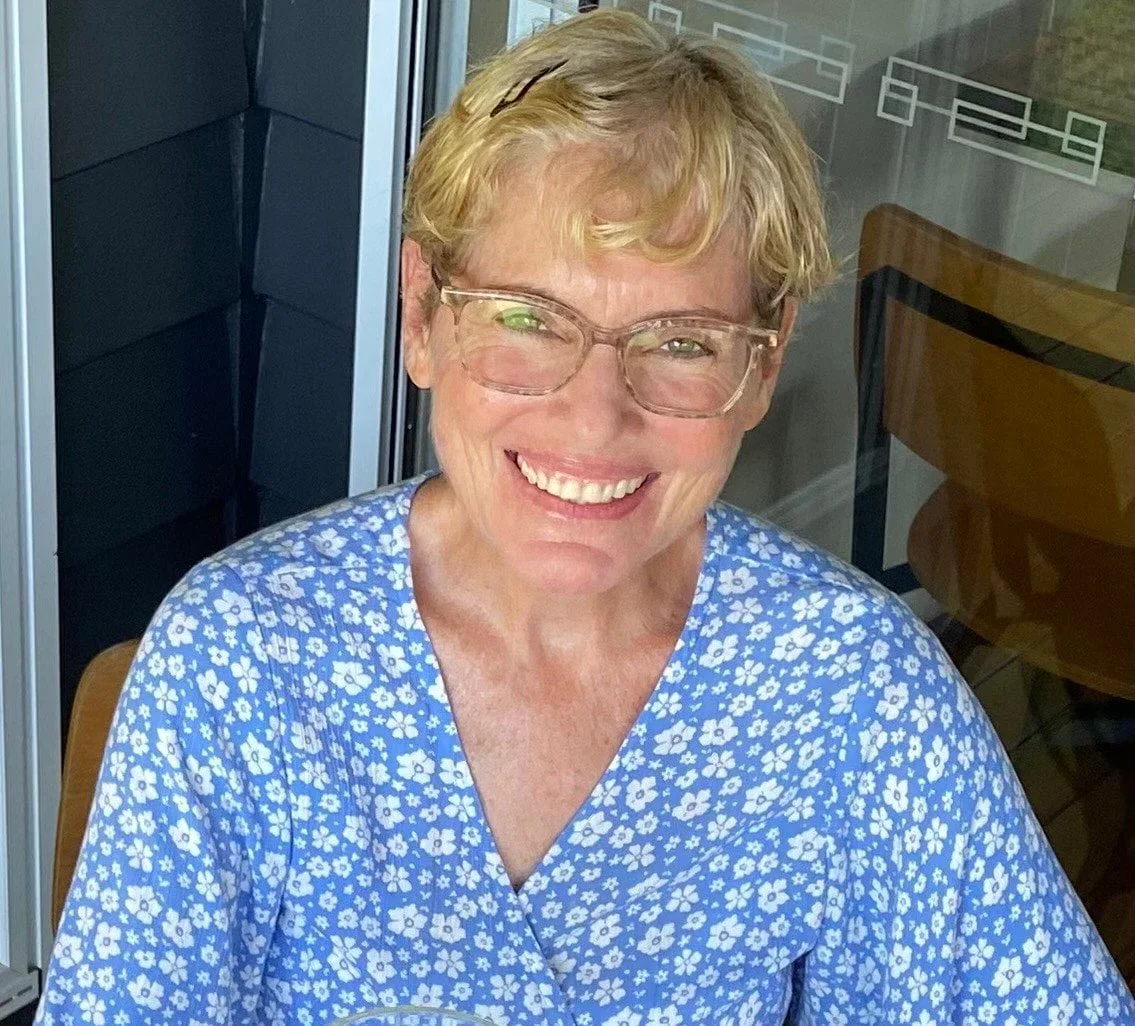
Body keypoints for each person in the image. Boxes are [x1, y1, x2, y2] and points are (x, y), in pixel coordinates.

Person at [37, 10, 1133, 1026]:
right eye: (527, 318)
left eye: (681, 341)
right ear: (422, 315)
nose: (594, 417)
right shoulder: (241, 662)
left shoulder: (852, 696)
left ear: (760, 367)